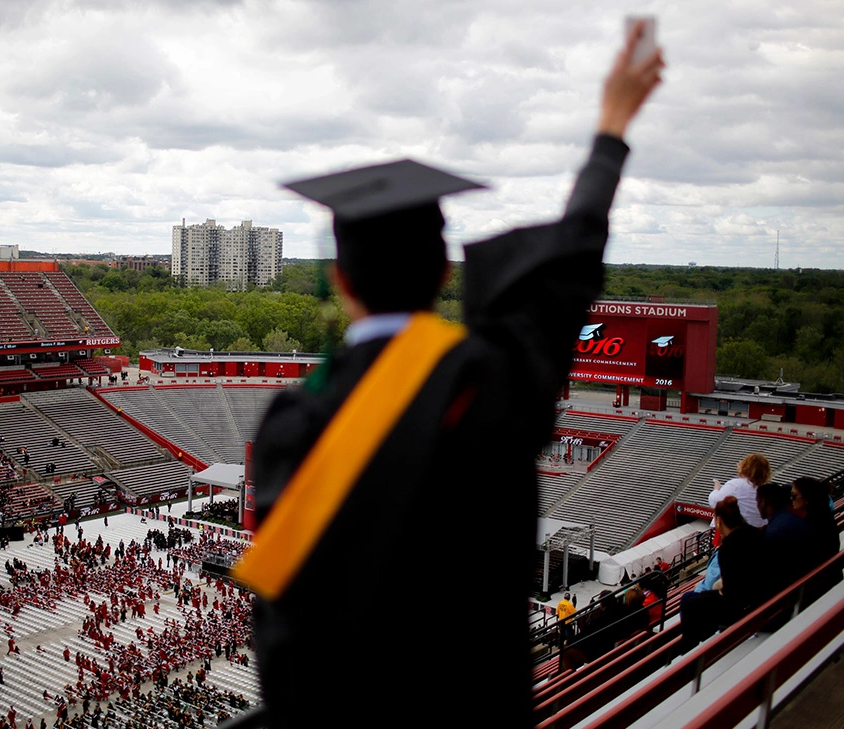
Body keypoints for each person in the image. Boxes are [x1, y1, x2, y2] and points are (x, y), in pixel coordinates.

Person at [235, 22, 663, 729]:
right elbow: (567, 265)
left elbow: (282, 621)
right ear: (442, 271)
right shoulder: (493, 377)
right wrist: (611, 126)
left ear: (341, 278)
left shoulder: (299, 416)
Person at [679, 497, 768, 652]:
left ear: (719, 520)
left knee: (689, 603)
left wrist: (718, 586)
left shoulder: (729, 547)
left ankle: (689, 649)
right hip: (760, 596)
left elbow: (729, 591)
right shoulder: (754, 533)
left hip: (742, 606)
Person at [709, 454, 771, 530]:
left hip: (735, 531)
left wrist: (716, 489)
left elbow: (714, 502)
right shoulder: (766, 490)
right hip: (756, 533)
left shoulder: (736, 485)